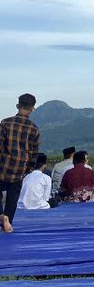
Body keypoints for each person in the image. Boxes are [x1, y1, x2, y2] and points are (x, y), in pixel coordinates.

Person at [0, 93, 40, 231]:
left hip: (3, 165)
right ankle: (8, 221)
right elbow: (34, 153)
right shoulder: (34, 129)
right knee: (13, 197)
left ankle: (1, 215)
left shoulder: (5, 123)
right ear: (32, 108)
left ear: (18, 106)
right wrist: (28, 169)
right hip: (20, 168)